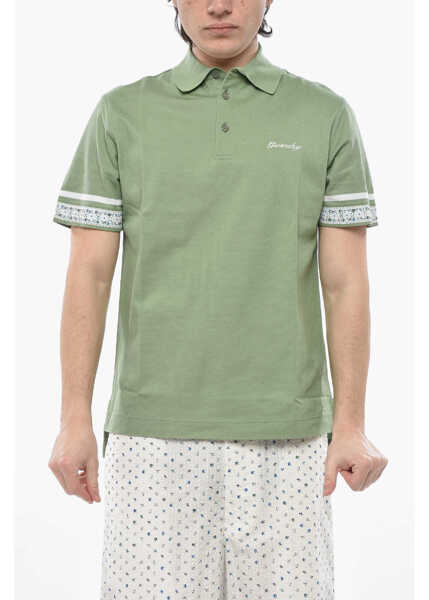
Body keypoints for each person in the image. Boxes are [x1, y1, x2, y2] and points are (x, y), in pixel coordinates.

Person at [48, 1, 388, 598]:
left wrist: (351, 423)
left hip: (289, 437)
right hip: (152, 437)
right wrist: (73, 418)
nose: (219, 5)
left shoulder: (324, 115)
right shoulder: (121, 114)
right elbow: (89, 276)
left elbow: (345, 283)